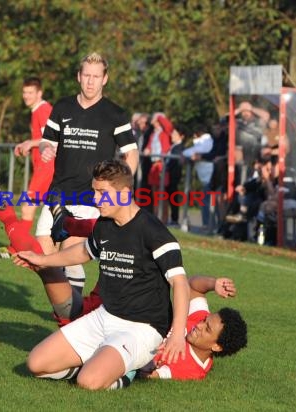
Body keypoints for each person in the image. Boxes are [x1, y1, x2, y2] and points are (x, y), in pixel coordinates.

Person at [0, 173, 247, 385]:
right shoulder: (193, 322)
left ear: (217, 347)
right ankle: (62, 223)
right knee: (90, 241)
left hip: (100, 322)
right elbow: (190, 286)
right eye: (205, 320)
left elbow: (145, 373)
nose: (199, 325)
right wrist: (213, 283)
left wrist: (129, 367)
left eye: (207, 329)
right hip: (106, 305)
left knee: (46, 270)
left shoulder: (191, 370)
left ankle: (12, 214)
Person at [16, 159, 190, 390]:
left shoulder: (154, 232)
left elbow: (180, 283)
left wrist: (177, 334)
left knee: (88, 382)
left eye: (102, 193)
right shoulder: (104, 224)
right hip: (105, 316)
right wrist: (42, 260)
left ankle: (125, 373)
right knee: (36, 364)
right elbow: (83, 252)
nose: (96, 199)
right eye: (95, 192)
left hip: (142, 328)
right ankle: (98, 362)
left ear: (125, 193)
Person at [36, 52, 139, 294]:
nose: (91, 81)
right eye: (86, 76)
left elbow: (131, 153)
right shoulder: (63, 106)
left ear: (105, 79)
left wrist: (118, 188)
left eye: (96, 76)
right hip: (58, 193)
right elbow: (46, 141)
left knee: (70, 255)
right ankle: (70, 308)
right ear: (78, 77)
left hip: (89, 197)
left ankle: (71, 318)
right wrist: (46, 149)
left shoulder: (114, 113)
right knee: (44, 256)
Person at [13, 77, 54, 232]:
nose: (26, 96)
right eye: (24, 92)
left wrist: (30, 143)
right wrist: (27, 143)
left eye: (30, 92)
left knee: (27, 207)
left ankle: (18, 247)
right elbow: (42, 138)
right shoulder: (37, 110)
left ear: (39, 93)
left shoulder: (43, 110)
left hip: (46, 167)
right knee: (50, 210)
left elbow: (49, 139)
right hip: (43, 167)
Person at [235, 101, 270, 168]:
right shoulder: (238, 123)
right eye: (243, 111)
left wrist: (250, 108)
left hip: (256, 151)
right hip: (242, 153)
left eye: (247, 111)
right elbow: (226, 117)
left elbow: (266, 115)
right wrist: (240, 109)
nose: (245, 113)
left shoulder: (258, 122)